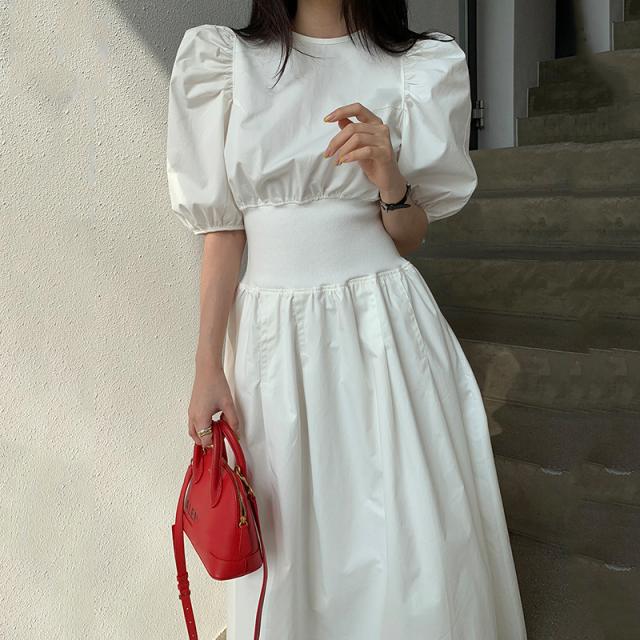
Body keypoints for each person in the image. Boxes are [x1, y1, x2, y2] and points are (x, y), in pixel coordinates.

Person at [166, 2, 528, 638]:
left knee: (406, 526)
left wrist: (389, 175)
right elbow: (222, 234)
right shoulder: (226, 62)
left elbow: (408, 234)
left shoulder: (415, 66)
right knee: (292, 534)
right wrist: (206, 365)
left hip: (383, 324)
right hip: (274, 337)